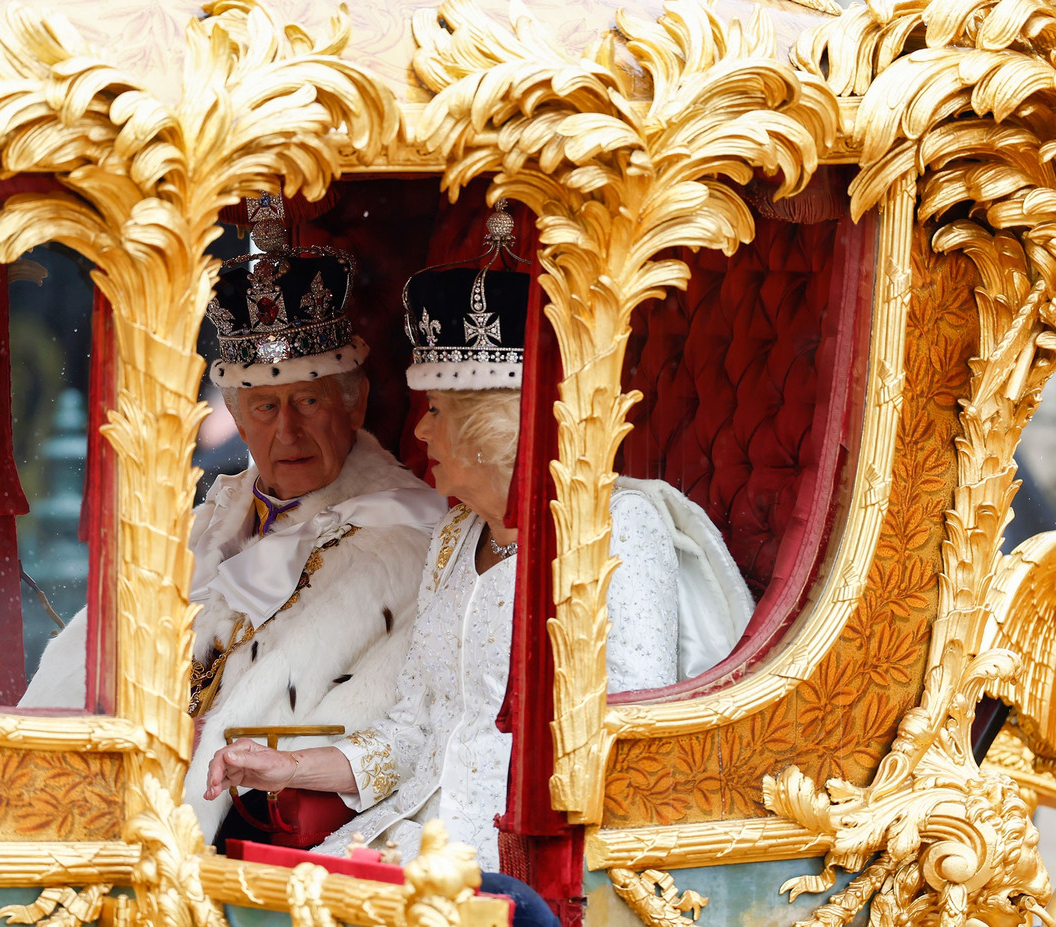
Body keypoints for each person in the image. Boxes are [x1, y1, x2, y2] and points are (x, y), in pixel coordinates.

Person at [204, 206, 753, 920]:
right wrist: (290, 766)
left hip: (529, 867)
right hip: (411, 842)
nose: (421, 430)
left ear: (491, 426)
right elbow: (413, 731)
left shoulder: (616, 524)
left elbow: (626, 745)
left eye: (436, 409)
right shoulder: (454, 536)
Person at [22, 198, 447, 847]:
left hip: (252, 838)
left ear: (354, 402)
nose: (288, 431)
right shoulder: (205, 523)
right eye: (265, 407)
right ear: (237, 419)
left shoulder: (413, 542)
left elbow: (405, 737)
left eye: (308, 400)